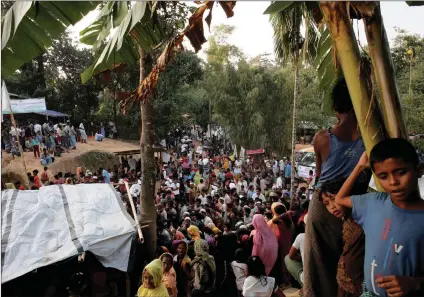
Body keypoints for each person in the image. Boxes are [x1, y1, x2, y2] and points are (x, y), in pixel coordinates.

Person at [304, 78, 370, 297]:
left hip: (325, 205)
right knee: (351, 268)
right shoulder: (371, 138)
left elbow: (320, 176)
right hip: (357, 205)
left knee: (319, 266)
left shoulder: (323, 138)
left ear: (335, 107)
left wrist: (328, 199)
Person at [336, 138, 424, 297]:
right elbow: (340, 199)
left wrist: (414, 283)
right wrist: (359, 166)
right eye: (383, 176)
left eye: (401, 172)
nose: (393, 182)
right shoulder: (373, 203)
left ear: (418, 170)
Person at [319, 179, 365, 297]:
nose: (332, 206)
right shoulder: (346, 221)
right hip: (345, 284)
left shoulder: (361, 219)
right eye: (326, 203)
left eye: (333, 199)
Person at [267, 202, 292, 286]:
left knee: (283, 262)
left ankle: (286, 280)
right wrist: (284, 213)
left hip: (281, 243)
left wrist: (279, 215)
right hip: (289, 241)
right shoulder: (288, 218)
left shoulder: (278, 221)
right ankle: (289, 279)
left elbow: (273, 220)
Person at [285, 214, 308, 289]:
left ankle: (305, 288)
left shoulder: (301, 237)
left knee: (287, 258)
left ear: (305, 225)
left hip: (308, 278)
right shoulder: (331, 234)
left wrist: (303, 257)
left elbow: (291, 255)